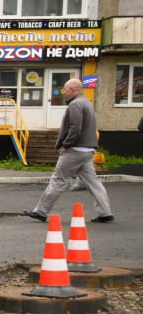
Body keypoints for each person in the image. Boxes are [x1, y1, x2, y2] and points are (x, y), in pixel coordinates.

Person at [23, 78, 114, 223]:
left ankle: (40, 211)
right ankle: (105, 212)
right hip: (87, 150)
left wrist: (66, 144)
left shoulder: (75, 105)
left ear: (72, 90)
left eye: (65, 90)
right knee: (94, 183)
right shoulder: (87, 103)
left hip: (75, 150)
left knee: (58, 180)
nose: (64, 93)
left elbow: (75, 128)